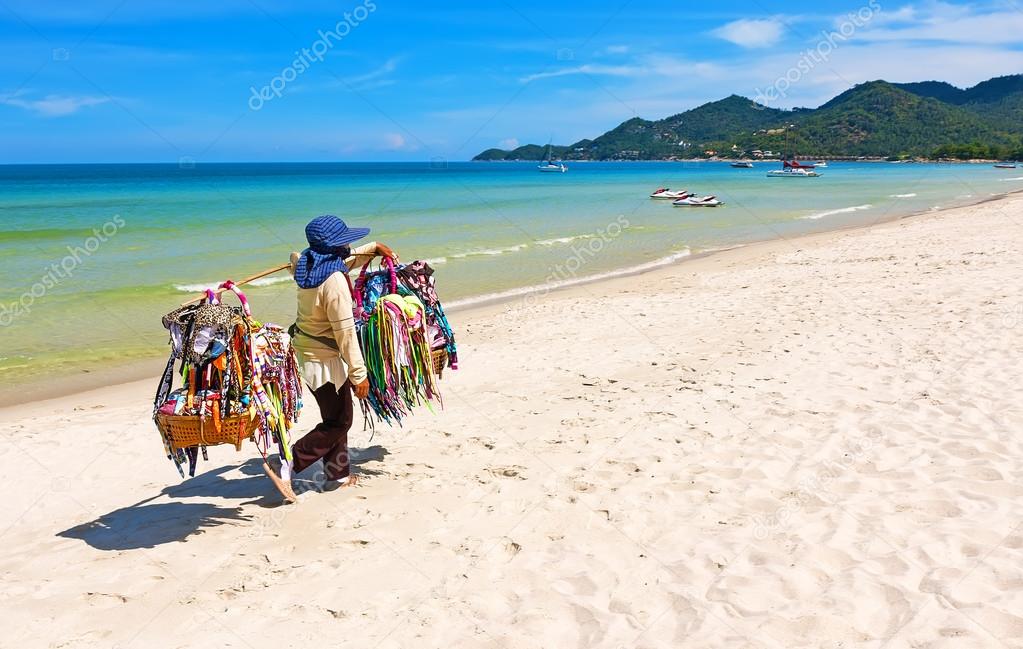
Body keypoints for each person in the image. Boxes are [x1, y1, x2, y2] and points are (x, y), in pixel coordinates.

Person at [282, 214, 397, 493]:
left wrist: (373, 247)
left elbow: (341, 259)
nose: (347, 246)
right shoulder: (333, 282)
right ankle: (289, 461)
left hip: (307, 353)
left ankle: (338, 475)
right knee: (340, 420)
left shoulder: (306, 265)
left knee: (335, 415)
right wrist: (360, 374)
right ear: (334, 247)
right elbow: (345, 333)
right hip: (325, 359)